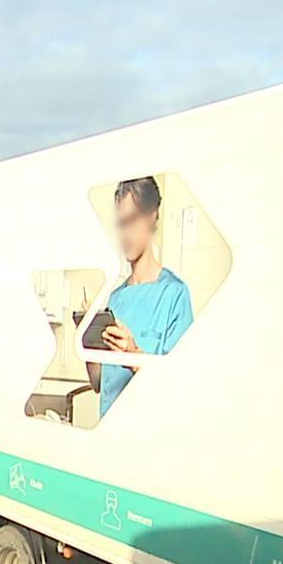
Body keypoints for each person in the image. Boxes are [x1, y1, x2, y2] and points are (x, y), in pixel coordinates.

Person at [95, 176, 192, 416]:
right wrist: (87, 335)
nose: (125, 234)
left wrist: (134, 354)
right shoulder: (116, 299)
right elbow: (99, 383)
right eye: (121, 223)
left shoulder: (174, 295)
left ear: (151, 217)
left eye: (132, 220)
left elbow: (179, 387)